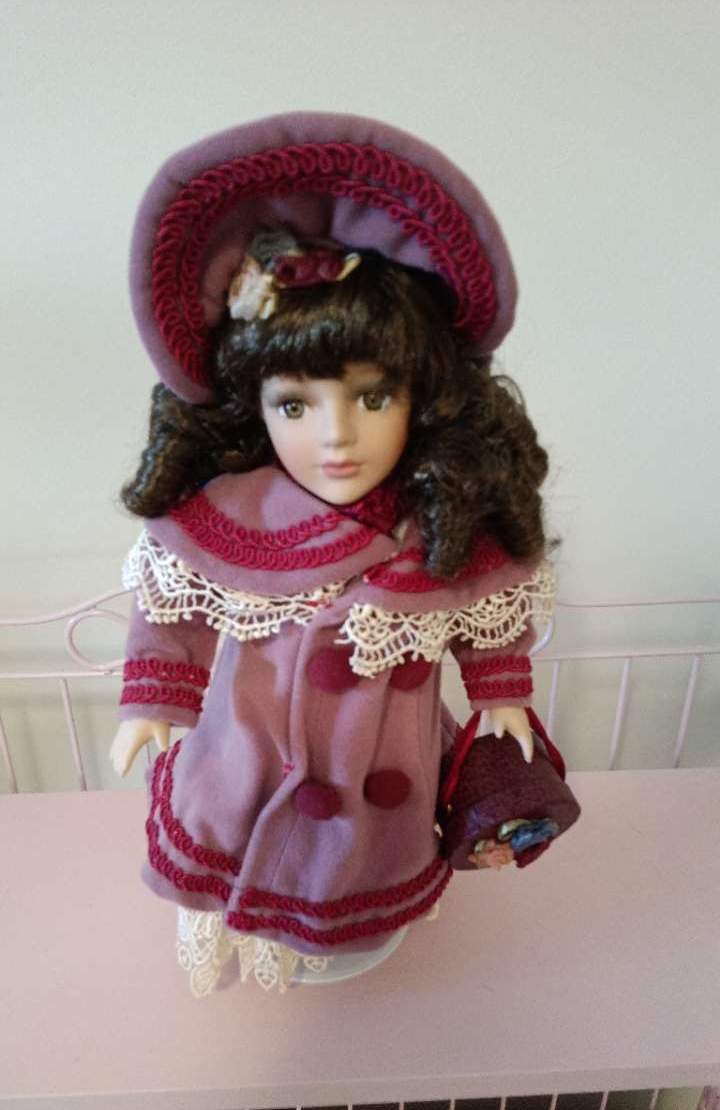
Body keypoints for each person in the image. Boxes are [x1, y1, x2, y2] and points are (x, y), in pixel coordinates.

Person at [109, 112, 567, 995]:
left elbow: (485, 610)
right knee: (237, 814)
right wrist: (153, 701)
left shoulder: (444, 523)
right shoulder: (228, 520)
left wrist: (501, 692)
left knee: (359, 845)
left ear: (423, 396)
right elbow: (174, 604)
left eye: (373, 396)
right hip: (248, 739)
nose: (337, 436)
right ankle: (261, 926)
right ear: (253, 407)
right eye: (295, 405)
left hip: (381, 751)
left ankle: (341, 926)